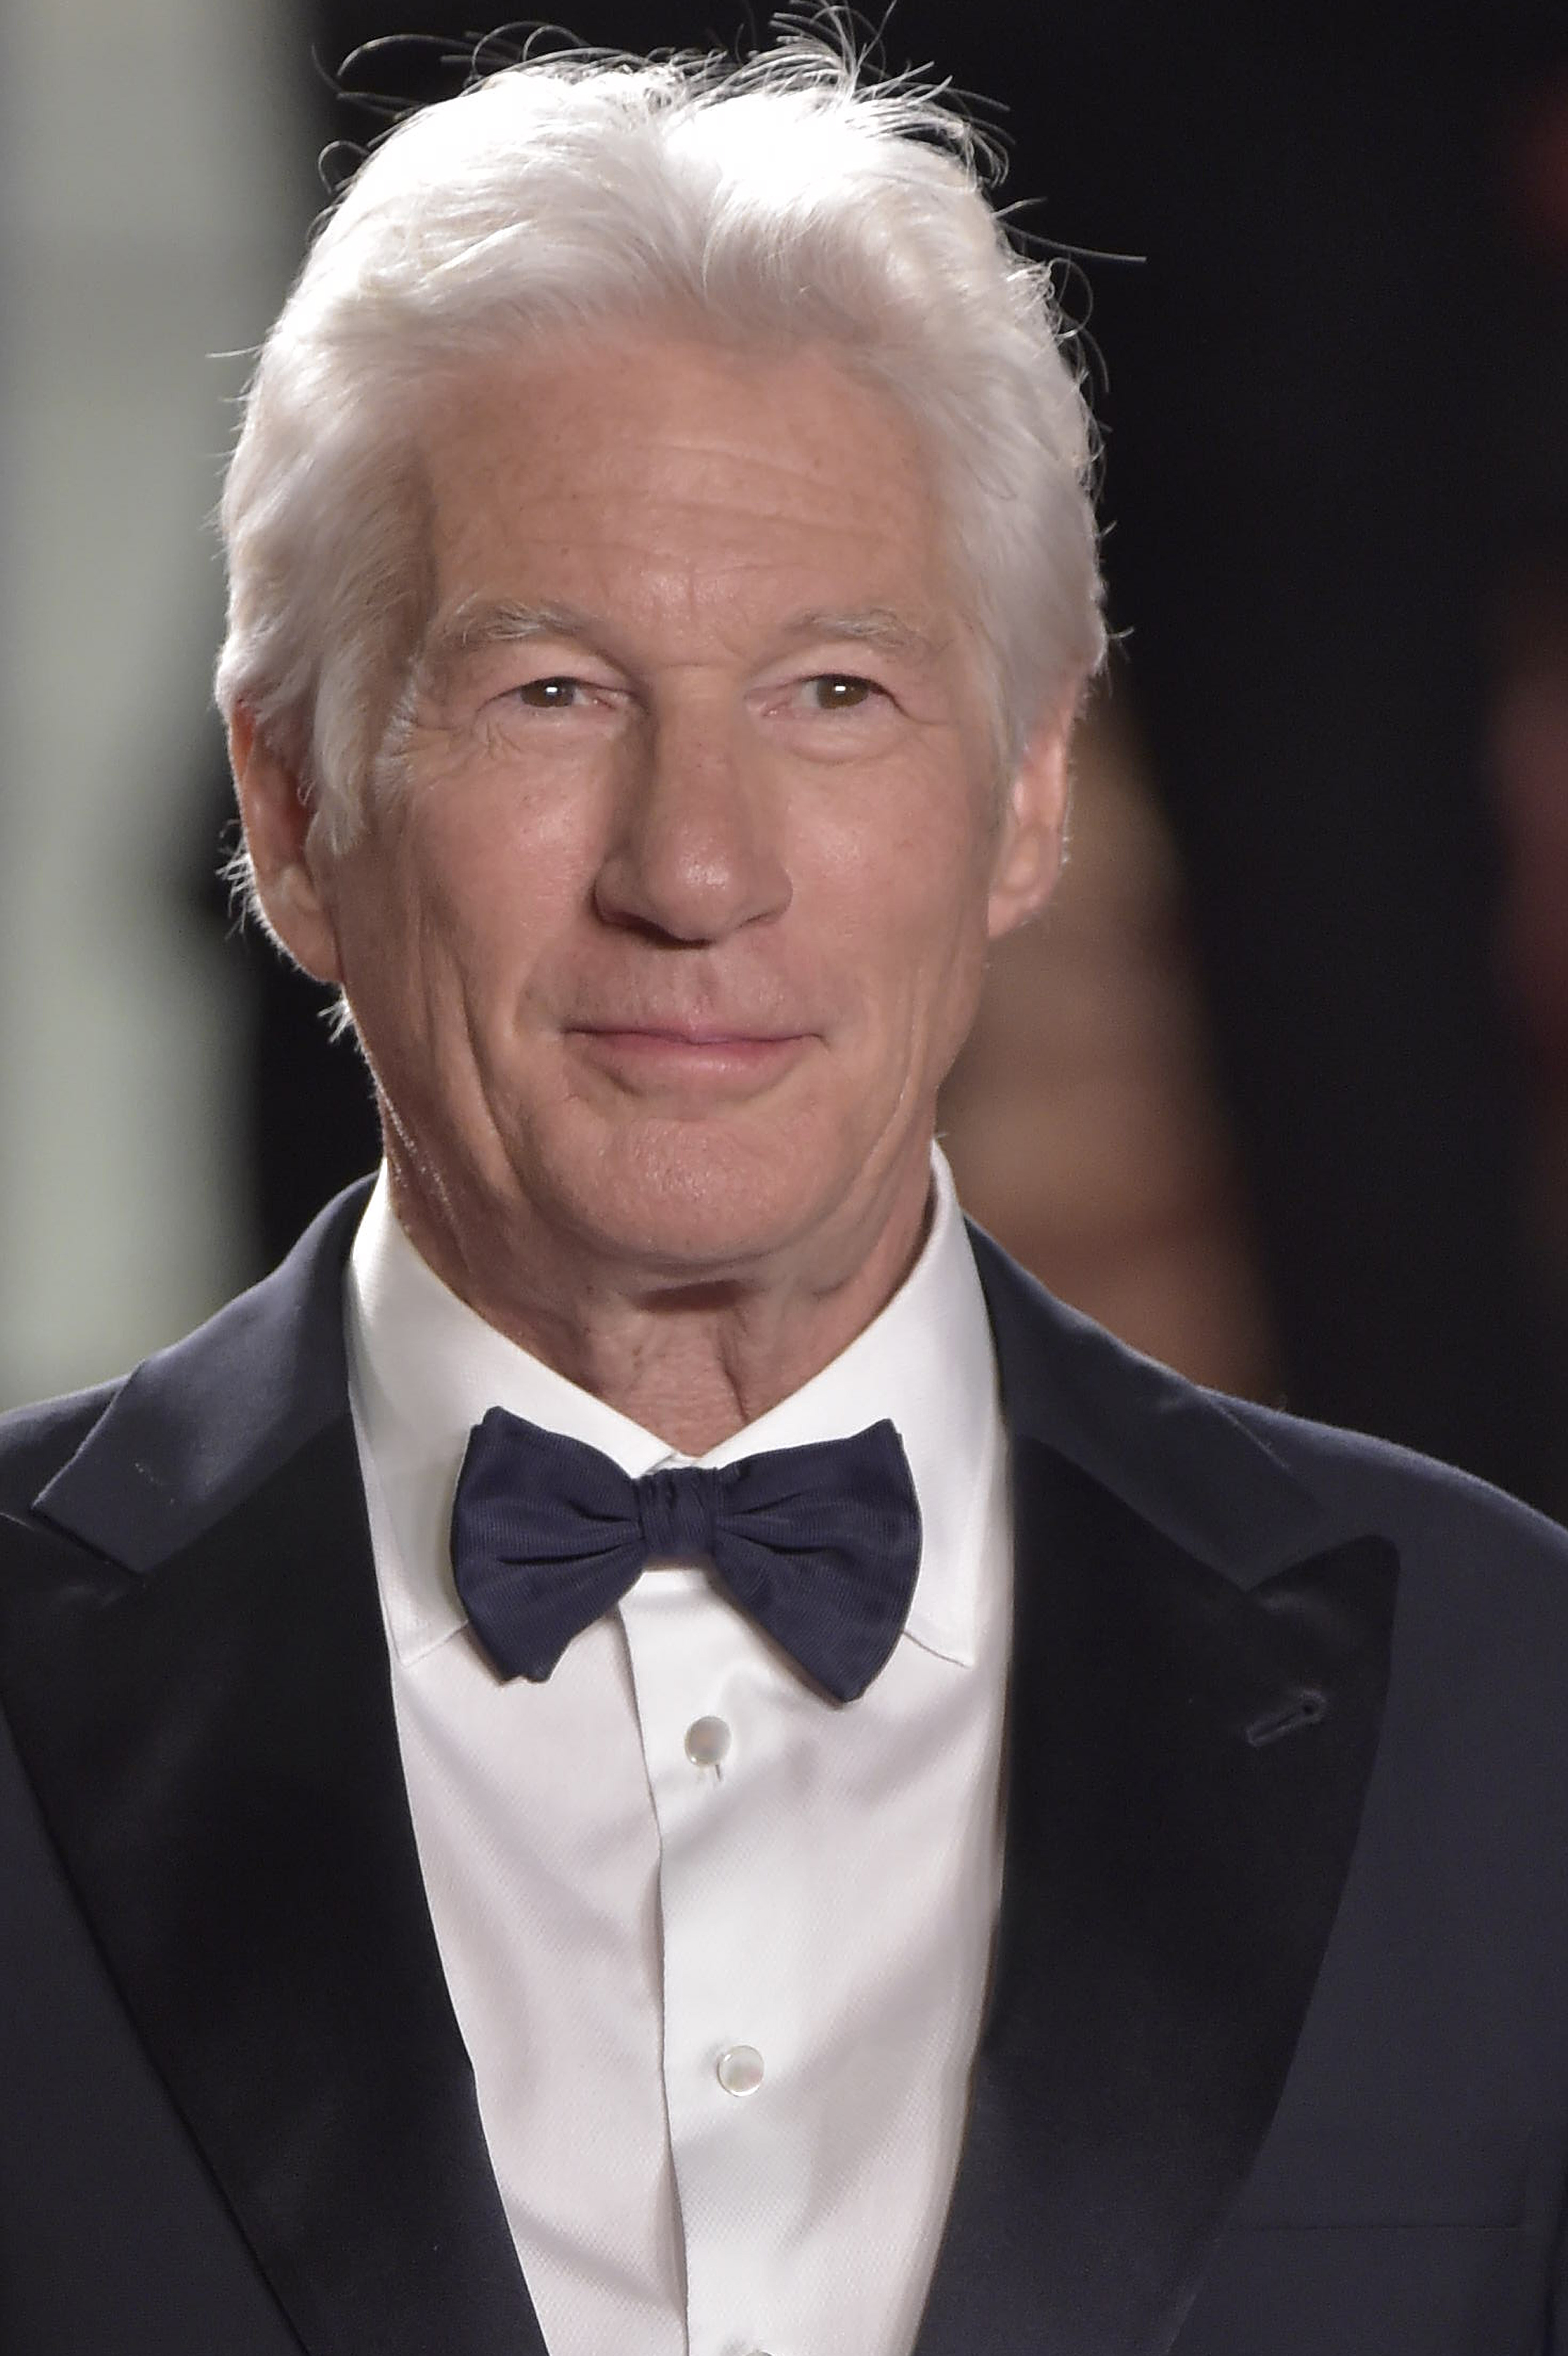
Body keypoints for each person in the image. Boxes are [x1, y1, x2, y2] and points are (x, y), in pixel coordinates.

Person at [2, 35, 1566, 2356]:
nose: (696, 871)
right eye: (547, 692)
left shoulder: (1510, 1703)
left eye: (834, 691)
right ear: (292, 809)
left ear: (1027, 792)